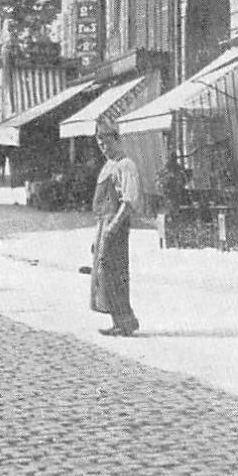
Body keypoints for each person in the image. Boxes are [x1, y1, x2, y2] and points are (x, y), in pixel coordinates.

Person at [91, 123, 141, 337]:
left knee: (116, 273)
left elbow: (128, 201)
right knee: (104, 274)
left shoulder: (125, 165)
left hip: (115, 225)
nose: (104, 147)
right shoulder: (109, 166)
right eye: (100, 143)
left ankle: (126, 321)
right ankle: (117, 320)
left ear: (117, 140)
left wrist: (112, 226)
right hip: (104, 224)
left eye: (107, 142)